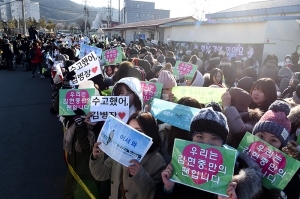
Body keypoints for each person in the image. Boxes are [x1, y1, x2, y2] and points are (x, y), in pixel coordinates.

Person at [161, 107, 262, 199]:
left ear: (222, 143)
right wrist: (168, 189)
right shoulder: (180, 163)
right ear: (192, 138)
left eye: (214, 138)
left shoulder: (233, 172)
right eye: (200, 136)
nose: (207, 144)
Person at [89, 112, 166, 199]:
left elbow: (153, 194)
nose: (132, 135)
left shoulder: (157, 161)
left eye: (138, 131)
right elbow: (101, 175)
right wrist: (96, 157)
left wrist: (140, 174)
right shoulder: (120, 151)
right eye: (129, 130)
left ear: (149, 133)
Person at [252, 100, 300, 199]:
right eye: (261, 136)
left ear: (281, 145)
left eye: (273, 140)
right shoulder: (238, 157)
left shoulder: (288, 172)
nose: (265, 143)